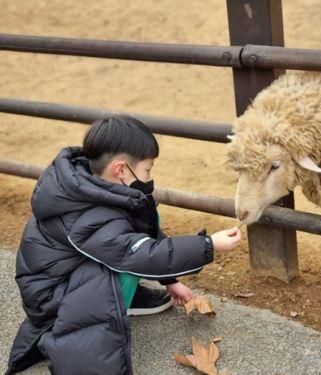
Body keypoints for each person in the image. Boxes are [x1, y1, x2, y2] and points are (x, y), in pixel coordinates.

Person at [6, 116, 241, 374]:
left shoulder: (91, 187)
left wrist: (170, 280)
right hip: (52, 301)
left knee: (141, 222)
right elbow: (141, 254)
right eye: (147, 170)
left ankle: (126, 299)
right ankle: (95, 330)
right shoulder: (89, 216)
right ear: (121, 170)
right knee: (127, 255)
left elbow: (140, 239)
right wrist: (208, 245)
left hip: (63, 277)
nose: (149, 177)